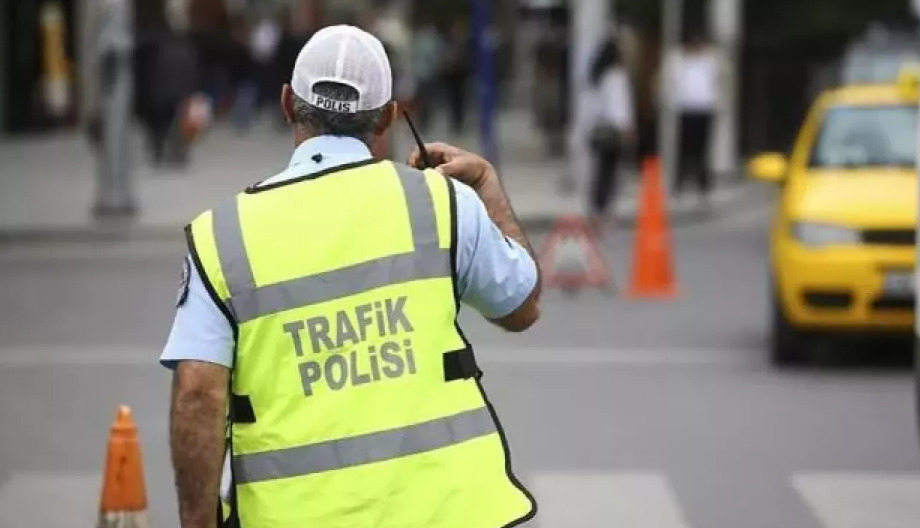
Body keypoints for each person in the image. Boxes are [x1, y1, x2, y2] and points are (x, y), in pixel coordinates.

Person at [161, 25, 541, 528]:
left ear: (286, 104)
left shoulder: (222, 237)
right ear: (387, 116)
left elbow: (198, 392)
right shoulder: (441, 204)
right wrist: (487, 185)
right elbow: (522, 305)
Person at [666, 29, 720, 207]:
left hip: (704, 109)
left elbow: (719, 78)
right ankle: (679, 186)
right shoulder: (679, 60)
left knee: (702, 151)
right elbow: (671, 79)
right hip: (686, 109)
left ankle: (703, 188)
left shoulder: (710, 60)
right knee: (683, 149)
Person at [586, 37, 635, 233]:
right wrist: (626, 128)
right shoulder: (616, 76)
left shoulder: (600, 76)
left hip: (600, 129)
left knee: (601, 172)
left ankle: (597, 211)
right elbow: (619, 107)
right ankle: (603, 213)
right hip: (613, 131)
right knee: (609, 173)